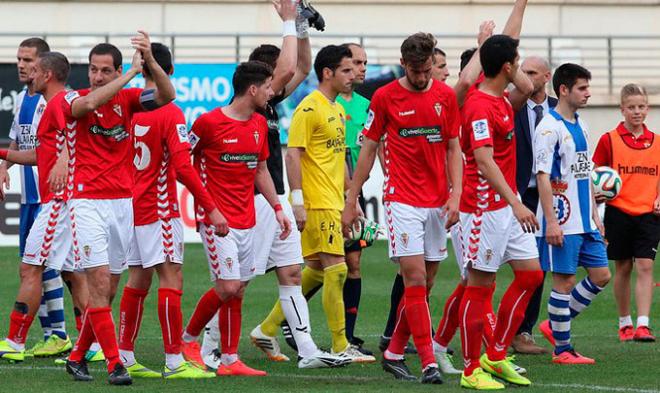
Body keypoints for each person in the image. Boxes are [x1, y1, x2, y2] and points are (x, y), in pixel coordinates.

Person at [343, 32, 462, 384]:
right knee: (414, 278)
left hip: (439, 201)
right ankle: (427, 362)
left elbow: (454, 148)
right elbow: (367, 149)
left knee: (424, 286)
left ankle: (394, 351)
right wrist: (352, 198)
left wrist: (456, 195)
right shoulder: (385, 97)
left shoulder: (444, 96)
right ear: (403, 64)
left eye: (427, 69)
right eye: (416, 70)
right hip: (402, 200)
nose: (423, 76)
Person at [62, 33, 176, 385]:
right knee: (97, 283)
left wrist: (150, 63)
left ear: (116, 71)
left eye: (105, 71)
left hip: (121, 204)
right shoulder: (75, 98)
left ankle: (78, 356)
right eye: (93, 70)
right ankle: (115, 365)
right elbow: (84, 107)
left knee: (107, 291)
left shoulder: (129, 101)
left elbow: (168, 96)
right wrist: (128, 76)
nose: (96, 76)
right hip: (86, 203)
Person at [115, 42, 224, 379]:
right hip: (158, 207)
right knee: (171, 277)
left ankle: (125, 354)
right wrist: (212, 207)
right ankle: (174, 361)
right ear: (169, 71)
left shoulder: (131, 106)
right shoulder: (170, 111)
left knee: (137, 279)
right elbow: (182, 167)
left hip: (131, 205)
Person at [180, 61, 292, 376]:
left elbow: (260, 170)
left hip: (247, 219)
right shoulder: (207, 123)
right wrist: (210, 208)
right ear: (253, 89)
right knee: (228, 286)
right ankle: (187, 339)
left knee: (238, 289)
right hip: (216, 220)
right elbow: (183, 166)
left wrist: (277, 208)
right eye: (269, 87)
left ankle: (230, 360)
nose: (272, 93)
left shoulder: (258, 124)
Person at [458, 34, 543, 390]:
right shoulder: (479, 105)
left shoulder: (503, 101)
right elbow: (483, 159)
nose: (521, 66)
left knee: (531, 276)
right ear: (506, 67)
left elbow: (530, 85)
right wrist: (516, 201)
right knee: (478, 289)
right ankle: (469, 368)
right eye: (517, 60)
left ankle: (495, 355)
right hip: (483, 210)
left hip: (504, 210)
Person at [535, 63, 611, 365]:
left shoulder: (581, 124)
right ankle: (562, 350)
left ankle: (554, 325)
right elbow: (542, 175)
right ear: (563, 90)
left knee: (602, 275)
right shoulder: (548, 127)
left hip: (585, 219)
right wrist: (550, 221)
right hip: (562, 219)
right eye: (582, 88)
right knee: (563, 282)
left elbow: (584, 173)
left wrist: (596, 214)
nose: (588, 93)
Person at [0, 38, 71, 358]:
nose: (21, 64)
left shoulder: (52, 102)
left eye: (28, 60)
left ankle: (58, 333)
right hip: (30, 197)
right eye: (18, 59)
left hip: (51, 197)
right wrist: (4, 166)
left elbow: (63, 141)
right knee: (41, 268)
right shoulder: (25, 100)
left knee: (46, 268)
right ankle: (57, 334)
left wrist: (63, 160)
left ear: (44, 68)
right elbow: (17, 139)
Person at [592, 83, 659, 342]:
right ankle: (624, 323)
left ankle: (643, 324)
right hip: (619, 211)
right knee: (622, 268)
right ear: (622, 109)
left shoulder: (657, 142)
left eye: (641, 107)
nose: (637, 112)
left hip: (648, 214)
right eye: (631, 107)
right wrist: (597, 193)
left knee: (645, 265)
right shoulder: (609, 139)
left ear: (647, 109)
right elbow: (595, 174)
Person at [511, 56, 556, 355]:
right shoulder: (510, 105)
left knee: (538, 266)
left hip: (549, 196)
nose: (524, 77)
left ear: (546, 77)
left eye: (530, 73)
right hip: (516, 195)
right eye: (521, 71)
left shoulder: (559, 109)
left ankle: (524, 330)